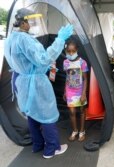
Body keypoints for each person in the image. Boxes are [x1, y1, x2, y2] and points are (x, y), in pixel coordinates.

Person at [4, 8, 73, 158]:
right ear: (22, 23)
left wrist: (42, 66)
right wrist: (60, 39)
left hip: (22, 81)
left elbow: (23, 61)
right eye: (30, 21)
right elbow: (43, 59)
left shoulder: (10, 39)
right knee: (46, 114)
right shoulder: (25, 39)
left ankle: (38, 145)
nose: (32, 25)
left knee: (32, 115)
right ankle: (52, 149)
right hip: (35, 83)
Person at [63, 39, 89, 142]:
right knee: (72, 112)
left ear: (77, 50)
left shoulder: (82, 62)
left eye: (73, 51)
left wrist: (83, 94)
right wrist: (65, 91)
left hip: (80, 91)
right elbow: (67, 77)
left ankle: (82, 131)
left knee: (82, 111)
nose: (70, 53)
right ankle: (75, 130)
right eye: (68, 51)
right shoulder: (65, 62)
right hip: (70, 91)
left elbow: (85, 79)